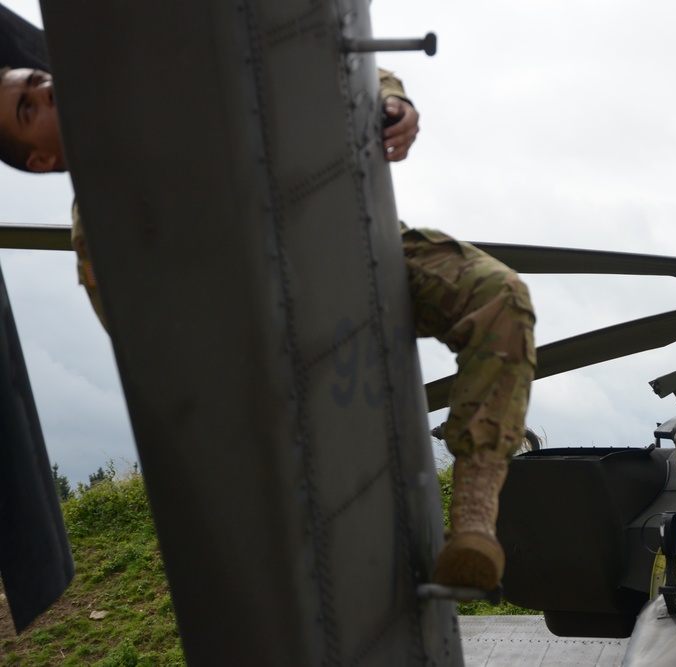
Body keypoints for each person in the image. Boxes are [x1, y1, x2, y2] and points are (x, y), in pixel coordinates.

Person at [0, 66, 536, 593]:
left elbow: (325, 54)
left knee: (499, 296)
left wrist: (393, 102)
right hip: (273, 338)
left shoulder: (170, 86)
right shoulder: (101, 231)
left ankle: (472, 518)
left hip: (359, 251)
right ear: (41, 159)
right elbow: (156, 356)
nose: (48, 91)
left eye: (38, 80)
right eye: (30, 108)